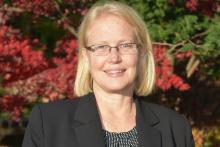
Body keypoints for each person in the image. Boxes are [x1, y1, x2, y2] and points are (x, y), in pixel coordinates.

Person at [22, 1, 195, 147]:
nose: (114, 57)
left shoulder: (175, 129)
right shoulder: (48, 123)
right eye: (101, 47)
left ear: (141, 52)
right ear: (86, 56)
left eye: (125, 45)